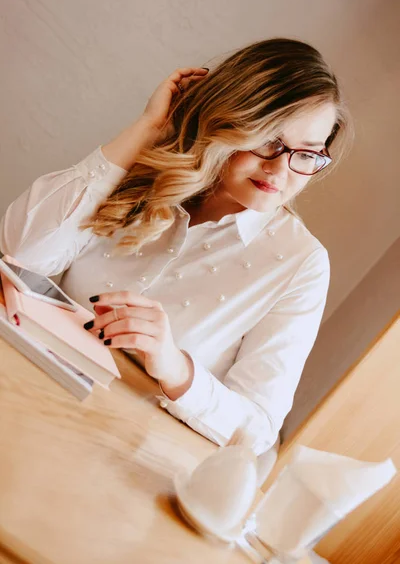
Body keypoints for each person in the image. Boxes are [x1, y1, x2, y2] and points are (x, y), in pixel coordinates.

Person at [0, 38, 351, 462]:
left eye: (308, 155)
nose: (281, 170)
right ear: (231, 120)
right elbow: (24, 250)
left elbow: (257, 432)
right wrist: (147, 130)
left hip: (119, 457)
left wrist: (175, 366)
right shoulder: (146, 171)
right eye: (270, 141)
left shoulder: (300, 264)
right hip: (26, 388)